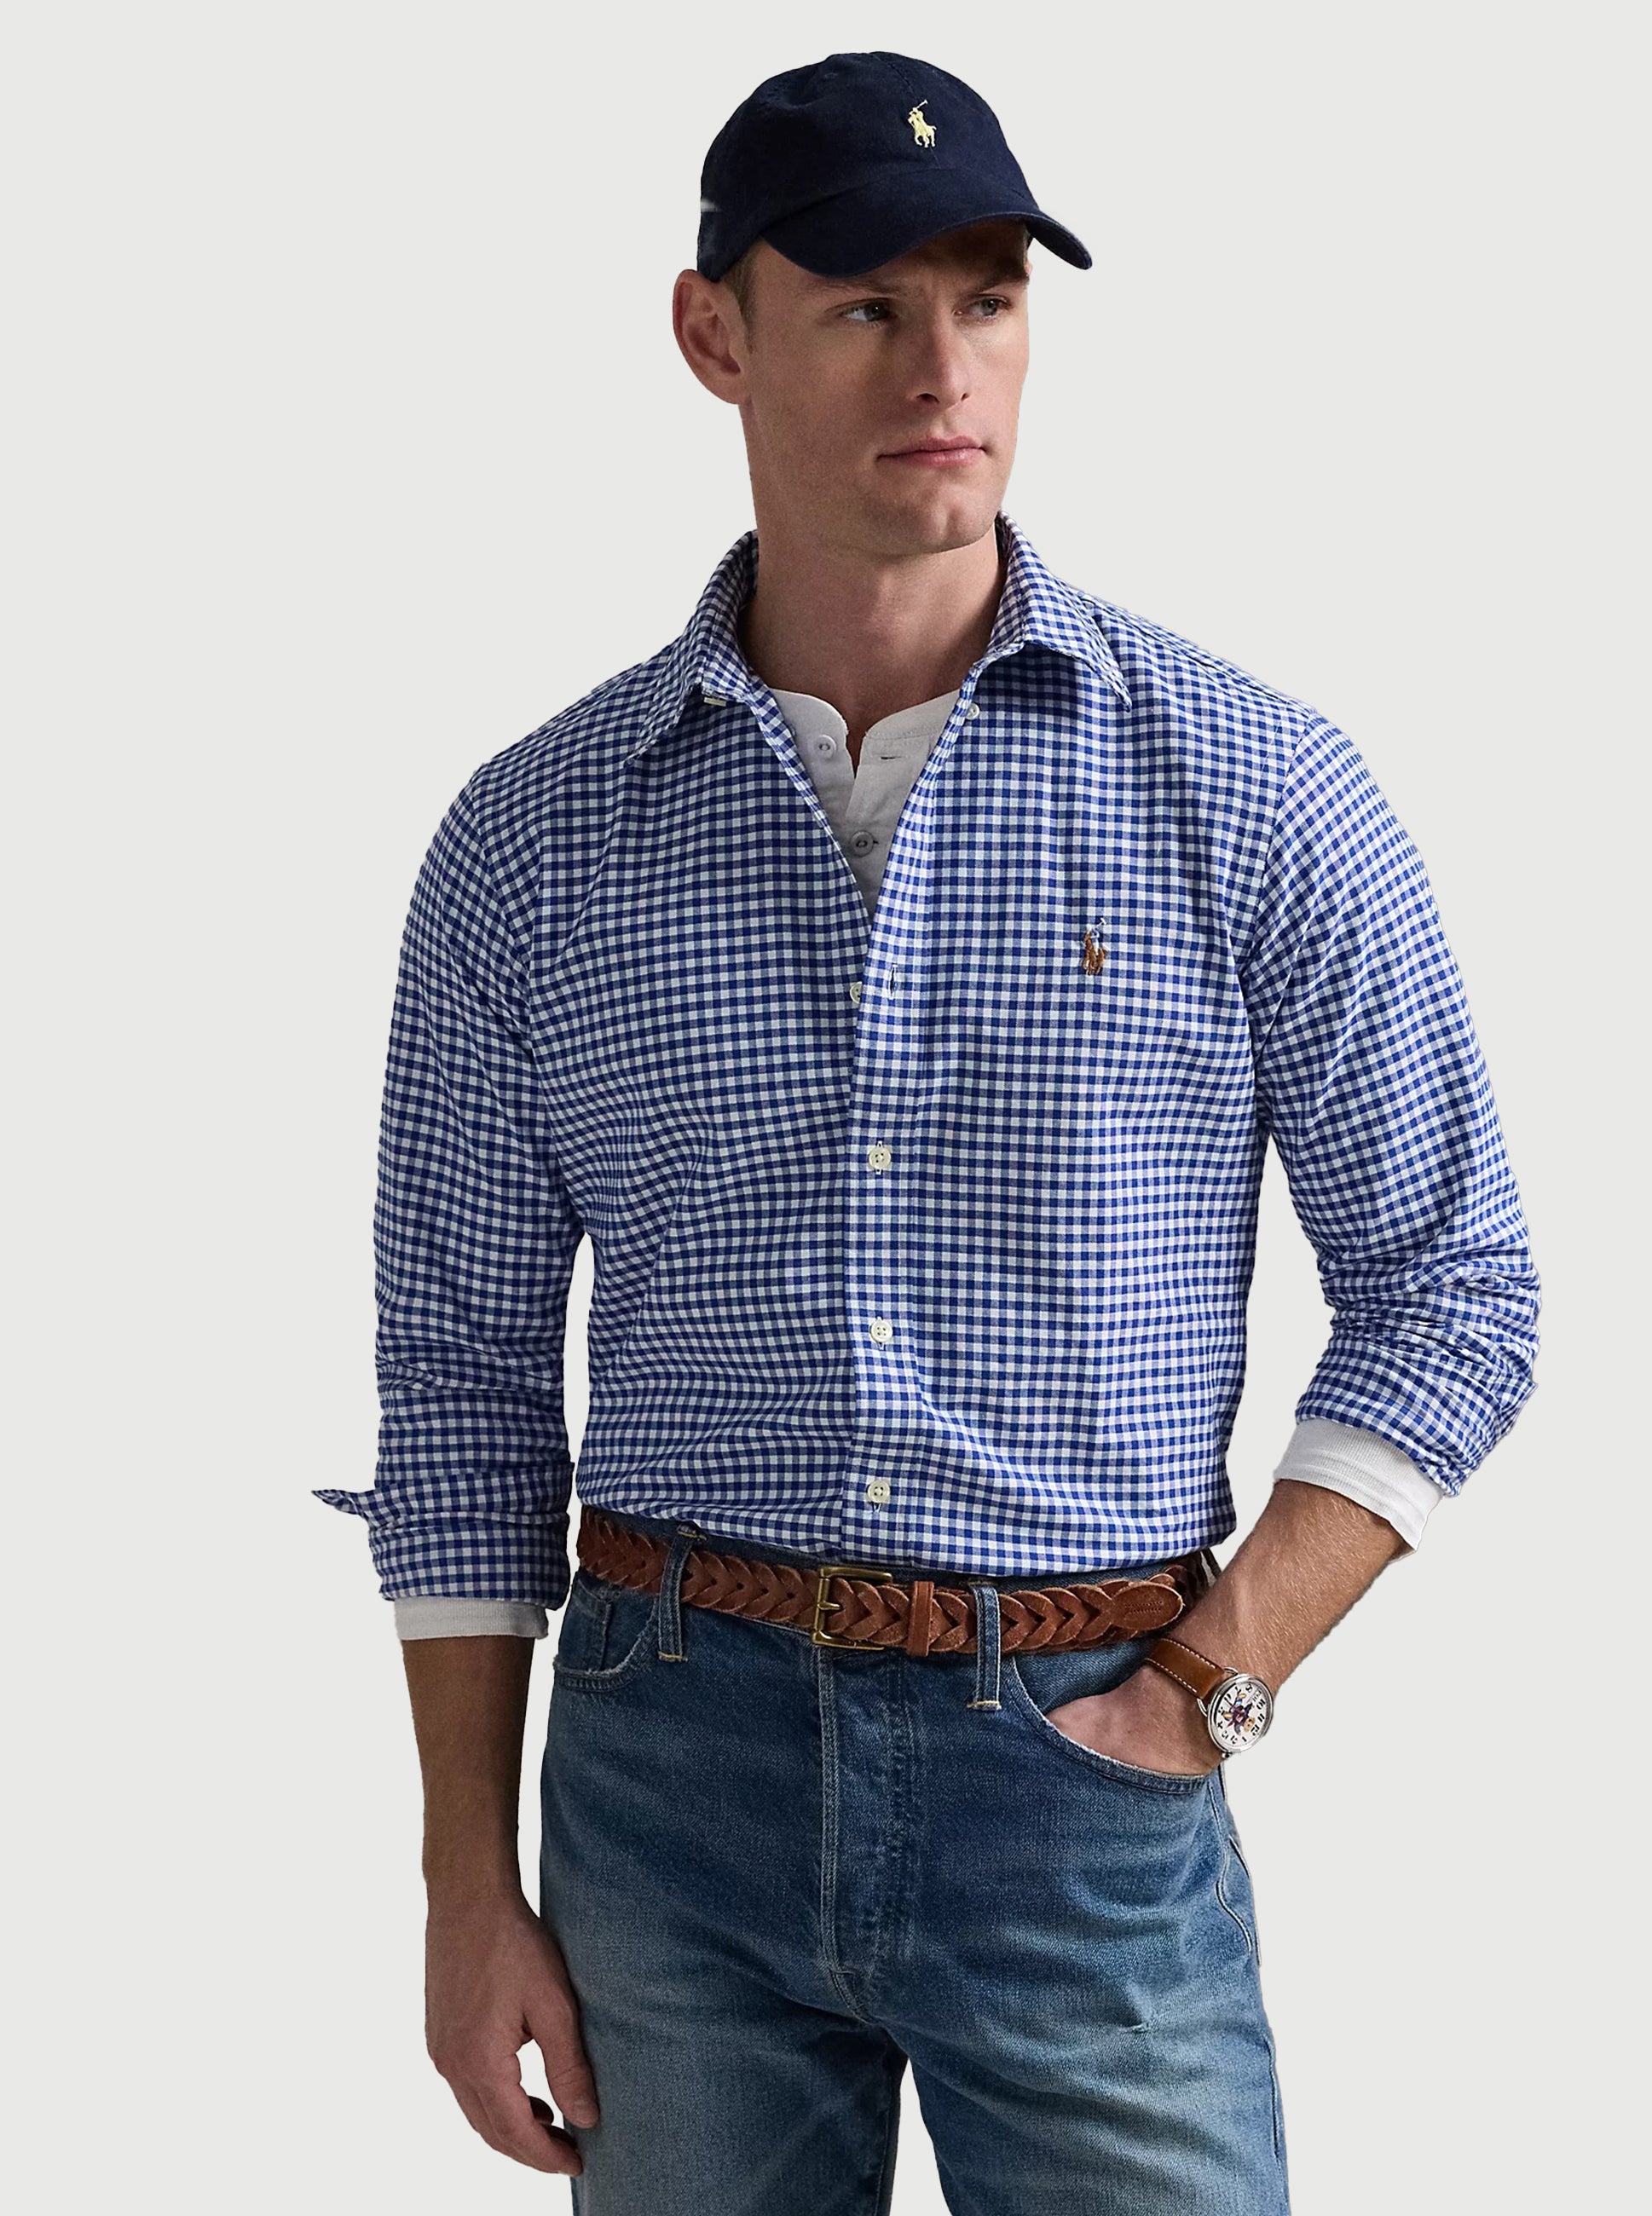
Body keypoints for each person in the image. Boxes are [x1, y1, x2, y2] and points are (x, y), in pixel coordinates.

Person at [319, 49, 1540, 2215]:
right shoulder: (532, 842)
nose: (943, 367)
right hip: (664, 1781)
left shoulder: (1251, 790)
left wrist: (1209, 1685)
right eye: (867, 305)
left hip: (1083, 1765)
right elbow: (465, 1379)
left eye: (987, 299)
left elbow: (1454, 1291)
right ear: (715, 336)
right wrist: (462, 1883)